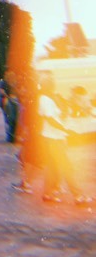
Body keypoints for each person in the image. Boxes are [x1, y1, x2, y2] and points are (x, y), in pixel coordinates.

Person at [37, 74, 92, 206]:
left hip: (52, 138)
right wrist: (65, 130)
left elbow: (56, 116)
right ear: (45, 85)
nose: (53, 85)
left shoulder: (49, 99)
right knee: (67, 167)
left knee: (53, 168)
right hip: (53, 138)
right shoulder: (45, 99)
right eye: (50, 83)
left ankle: (48, 193)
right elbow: (50, 119)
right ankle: (78, 195)